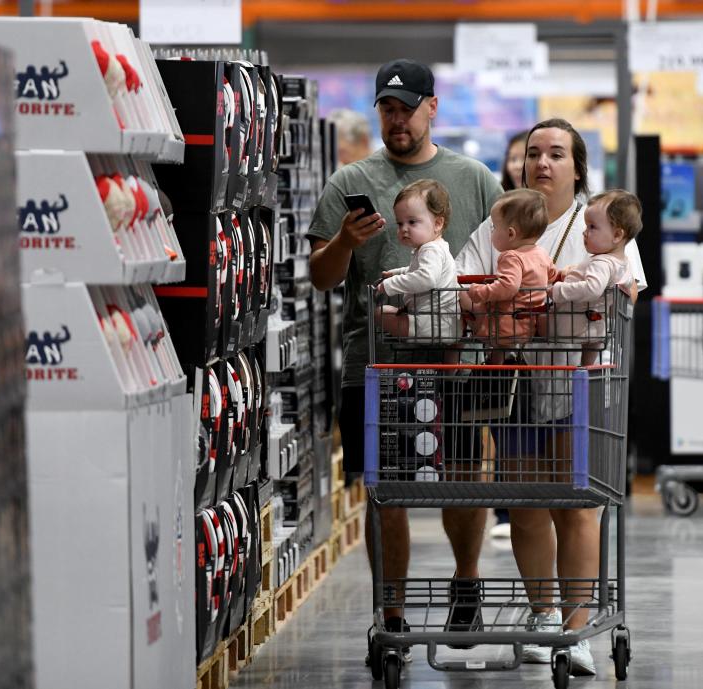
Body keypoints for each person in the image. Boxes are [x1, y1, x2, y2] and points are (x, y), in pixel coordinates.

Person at [308, 59, 503, 661]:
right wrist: (345, 241)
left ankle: (465, 584)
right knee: (385, 490)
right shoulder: (349, 181)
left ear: (432, 108)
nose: (397, 119)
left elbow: (516, 247)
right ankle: (390, 617)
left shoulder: (473, 179)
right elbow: (320, 276)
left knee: (465, 479)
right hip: (378, 363)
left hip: (460, 363)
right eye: (387, 109)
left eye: (407, 108)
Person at [456, 118, 646, 676]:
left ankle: (575, 626)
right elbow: (464, 277)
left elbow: (627, 289)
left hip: (579, 382)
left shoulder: (601, 220)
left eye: (557, 154)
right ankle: (543, 617)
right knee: (527, 501)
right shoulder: (505, 219)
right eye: (534, 153)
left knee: (578, 502)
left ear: (577, 166)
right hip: (515, 379)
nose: (542, 163)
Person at [463, 189, 555, 365]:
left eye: (495, 228)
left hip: (503, 326)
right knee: (499, 351)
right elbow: (553, 274)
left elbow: (508, 287)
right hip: (526, 325)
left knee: (463, 295)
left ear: (511, 234)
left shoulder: (511, 257)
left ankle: (493, 363)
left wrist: (480, 291)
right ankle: (496, 364)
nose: (492, 232)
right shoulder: (541, 254)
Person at [550, 190, 641, 366]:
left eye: (592, 227)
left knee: (539, 324)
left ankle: (584, 369)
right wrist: (574, 271)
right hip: (596, 322)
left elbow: (593, 288)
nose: (585, 232)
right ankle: (586, 369)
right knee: (588, 359)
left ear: (617, 235)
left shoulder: (601, 262)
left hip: (574, 320)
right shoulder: (622, 263)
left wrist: (558, 290)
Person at [490, 130, 528, 539]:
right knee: (505, 425)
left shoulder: (582, 219)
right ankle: (504, 509)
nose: (524, 164)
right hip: (505, 350)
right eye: (518, 156)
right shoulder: (495, 218)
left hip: (549, 362)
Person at [377, 179, 460, 347]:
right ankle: (453, 367)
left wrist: (390, 284)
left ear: (438, 223)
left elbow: (426, 279)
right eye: (400, 223)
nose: (404, 229)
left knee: (380, 314)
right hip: (445, 322)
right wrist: (397, 273)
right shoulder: (435, 247)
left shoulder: (431, 250)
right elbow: (417, 270)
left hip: (432, 324)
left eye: (412, 222)